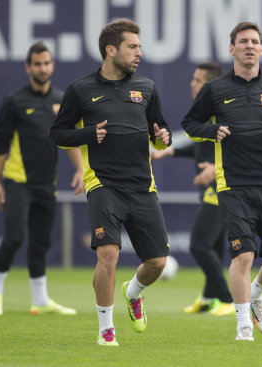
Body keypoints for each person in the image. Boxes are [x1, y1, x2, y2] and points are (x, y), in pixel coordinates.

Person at [50, 19, 172, 346]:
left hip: (142, 186)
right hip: (103, 184)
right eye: (132, 47)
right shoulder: (81, 89)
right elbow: (57, 134)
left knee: (158, 262)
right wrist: (88, 134)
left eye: (139, 47)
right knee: (108, 255)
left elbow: (160, 134)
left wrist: (162, 137)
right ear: (111, 50)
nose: (139, 53)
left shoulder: (146, 87)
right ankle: (106, 330)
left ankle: (133, 292)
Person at [181, 22, 262, 341]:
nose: (249, 46)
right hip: (232, 185)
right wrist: (211, 130)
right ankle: (243, 325)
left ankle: (256, 294)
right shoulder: (215, 89)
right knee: (242, 256)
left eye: (254, 42)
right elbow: (190, 123)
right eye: (242, 41)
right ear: (231, 49)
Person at [0, 41, 84, 316]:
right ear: (28, 67)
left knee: (41, 243)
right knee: (14, 238)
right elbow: (0, 145)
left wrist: (79, 169)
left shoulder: (61, 100)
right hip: (17, 181)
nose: (42, 68)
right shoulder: (14, 102)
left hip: (46, 184)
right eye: (37, 64)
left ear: (52, 65)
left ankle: (40, 300)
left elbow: (68, 139)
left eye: (46, 63)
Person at [151, 62, 234, 316]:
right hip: (213, 187)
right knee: (215, 246)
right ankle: (209, 297)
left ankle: (229, 300)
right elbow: (199, 147)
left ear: (208, 85)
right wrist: (171, 152)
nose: (191, 84)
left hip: (222, 187)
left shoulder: (224, 112)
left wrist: (216, 168)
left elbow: (241, 148)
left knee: (199, 245)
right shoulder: (204, 112)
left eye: (197, 80)